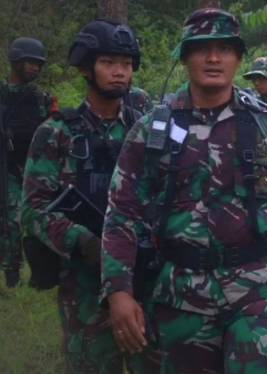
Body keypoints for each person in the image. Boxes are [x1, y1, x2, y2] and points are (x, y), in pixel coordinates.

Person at [100, 8, 267, 374]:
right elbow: (122, 212)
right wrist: (118, 290)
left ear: (238, 57)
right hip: (176, 294)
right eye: (201, 48)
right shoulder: (152, 130)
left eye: (224, 48)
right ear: (184, 55)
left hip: (257, 289)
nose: (212, 58)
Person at [21, 19, 142, 373]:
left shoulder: (146, 128)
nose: (120, 72)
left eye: (126, 64)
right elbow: (33, 209)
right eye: (108, 63)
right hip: (85, 281)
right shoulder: (56, 133)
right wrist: (86, 241)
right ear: (86, 67)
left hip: (142, 272)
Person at [0, 37, 56, 288]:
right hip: (6, 168)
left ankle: (34, 273)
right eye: (30, 63)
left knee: (30, 222)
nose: (34, 68)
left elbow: (55, 134)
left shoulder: (41, 99)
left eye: (38, 64)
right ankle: (12, 273)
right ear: (15, 61)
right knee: (10, 222)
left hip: (33, 171)